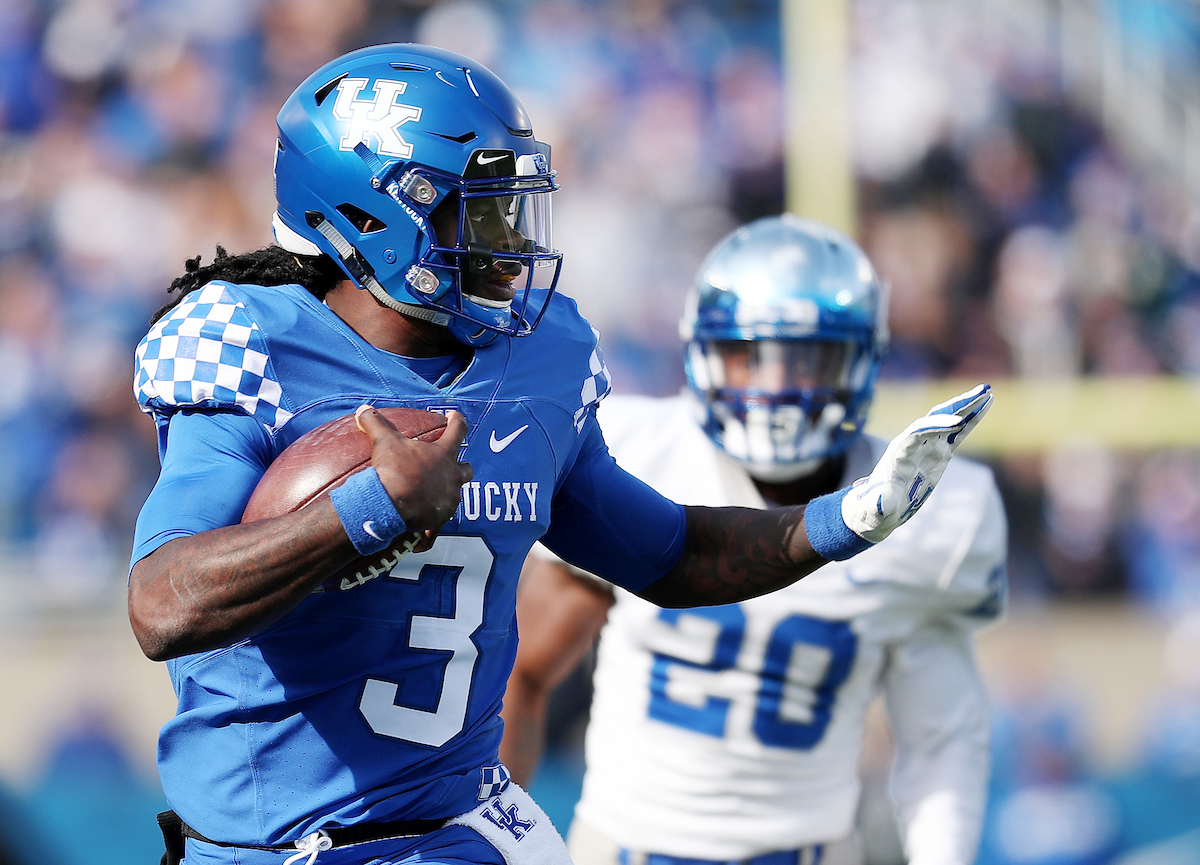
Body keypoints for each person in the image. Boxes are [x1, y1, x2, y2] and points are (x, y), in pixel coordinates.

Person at [127, 43, 993, 865]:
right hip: (283, 842)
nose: (511, 243)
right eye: (481, 208)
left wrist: (841, 520)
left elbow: (667, 552)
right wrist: (367, 509)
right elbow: (164, 605)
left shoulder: (539, 359)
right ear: (376, 214)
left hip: (460, 815)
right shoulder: (253, 348)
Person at [499, 215, 1008, 865]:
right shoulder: (638, 452)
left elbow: (940, 736)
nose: (774, 387)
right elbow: (522, 671)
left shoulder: (933, 505)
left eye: (806, 357)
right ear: (703, 353)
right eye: (748, 354)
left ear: (863, 359)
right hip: (628, 848)